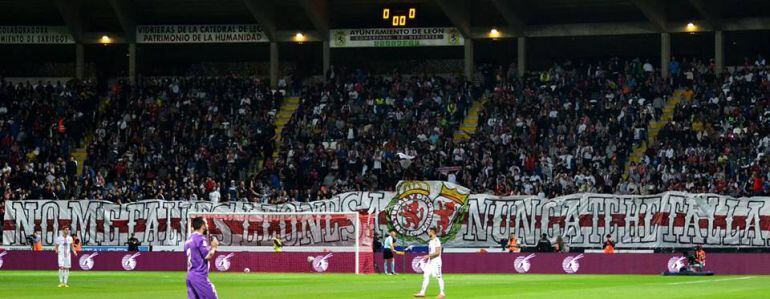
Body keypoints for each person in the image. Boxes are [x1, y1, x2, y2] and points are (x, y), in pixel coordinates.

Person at [185, 217, 219, 299]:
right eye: (206, 223)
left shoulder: (188, 240)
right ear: (203, 226)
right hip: (199, 276)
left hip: (190, 276)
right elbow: (208, 256)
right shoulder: (200, 238)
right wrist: (214, 247)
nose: (207, 225)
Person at [414, 228, 445, 299]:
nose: (428, 233)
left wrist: (428, 256)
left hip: (436, 262)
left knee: (439, 277)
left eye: (429, 232)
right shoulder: (431, 241)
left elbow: (437, 252)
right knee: (426, 275)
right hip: (430, 262)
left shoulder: (436, 241)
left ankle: (442, 293)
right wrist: (428, 258)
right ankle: (422, 292)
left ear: (432, 232)